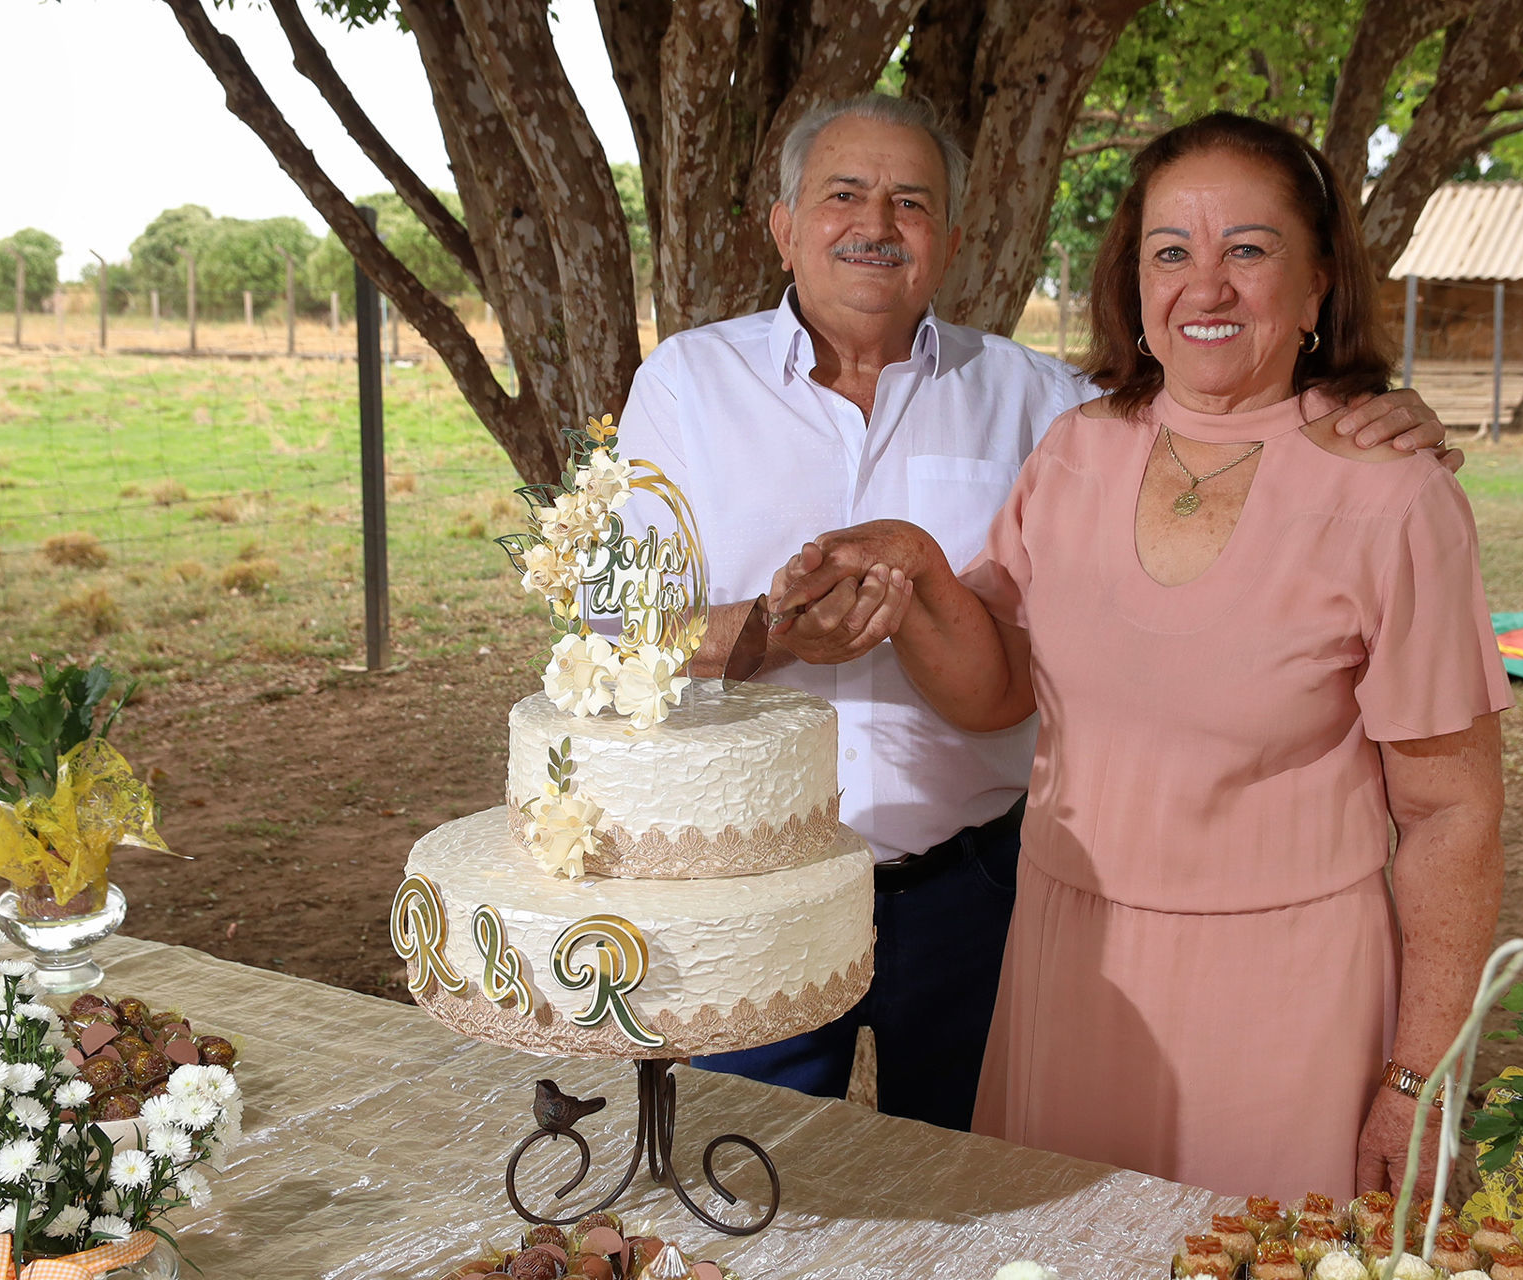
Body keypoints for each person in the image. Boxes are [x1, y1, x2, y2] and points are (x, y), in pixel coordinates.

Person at [614, 96, 1456, 1133]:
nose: (875, 223)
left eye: (911, 200)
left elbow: (1218, 422)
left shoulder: (1042, 406)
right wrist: (769, 631)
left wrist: (1376, 406)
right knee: (742, 1183)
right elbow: (615, 632)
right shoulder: (689, 386)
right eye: (843, 194)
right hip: (753, 886)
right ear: (782, 224)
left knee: (991, 1198)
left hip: (976, 898)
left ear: (953, 240)